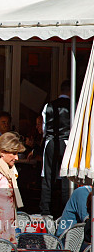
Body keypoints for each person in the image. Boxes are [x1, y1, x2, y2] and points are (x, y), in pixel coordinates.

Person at [41, 80, 71, 217]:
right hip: (66, 141)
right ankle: (65, 209)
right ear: (70, 91)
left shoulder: (48, 105)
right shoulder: (74, 106)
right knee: (66, 177)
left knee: (48, 177)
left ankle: (46, 210)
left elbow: (44, 128)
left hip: (50, 141)